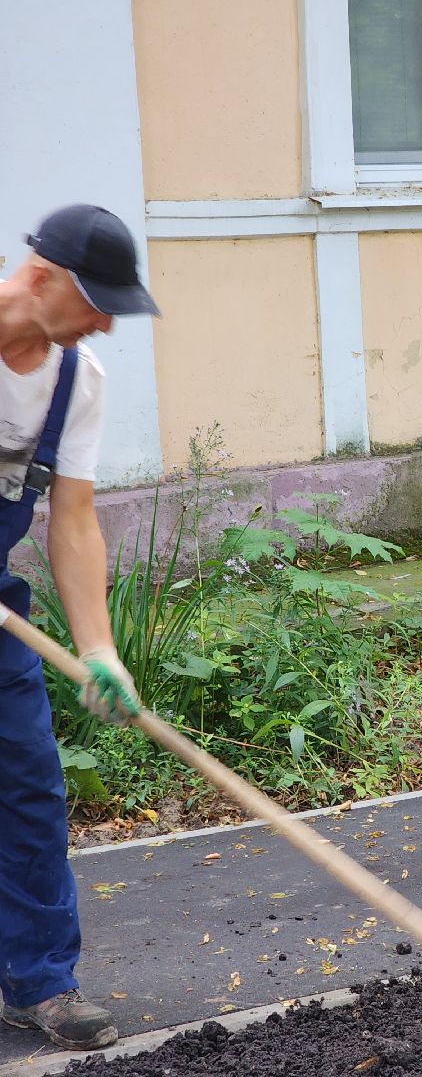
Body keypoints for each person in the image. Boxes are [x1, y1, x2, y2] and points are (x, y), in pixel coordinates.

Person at [0, 204, 158, 1050]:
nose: (102, 322)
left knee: (28, 786)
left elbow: (74, 521)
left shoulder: (76, 380)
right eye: (95, 300)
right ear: (41, 276)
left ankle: (39, 984)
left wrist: (98, 648)